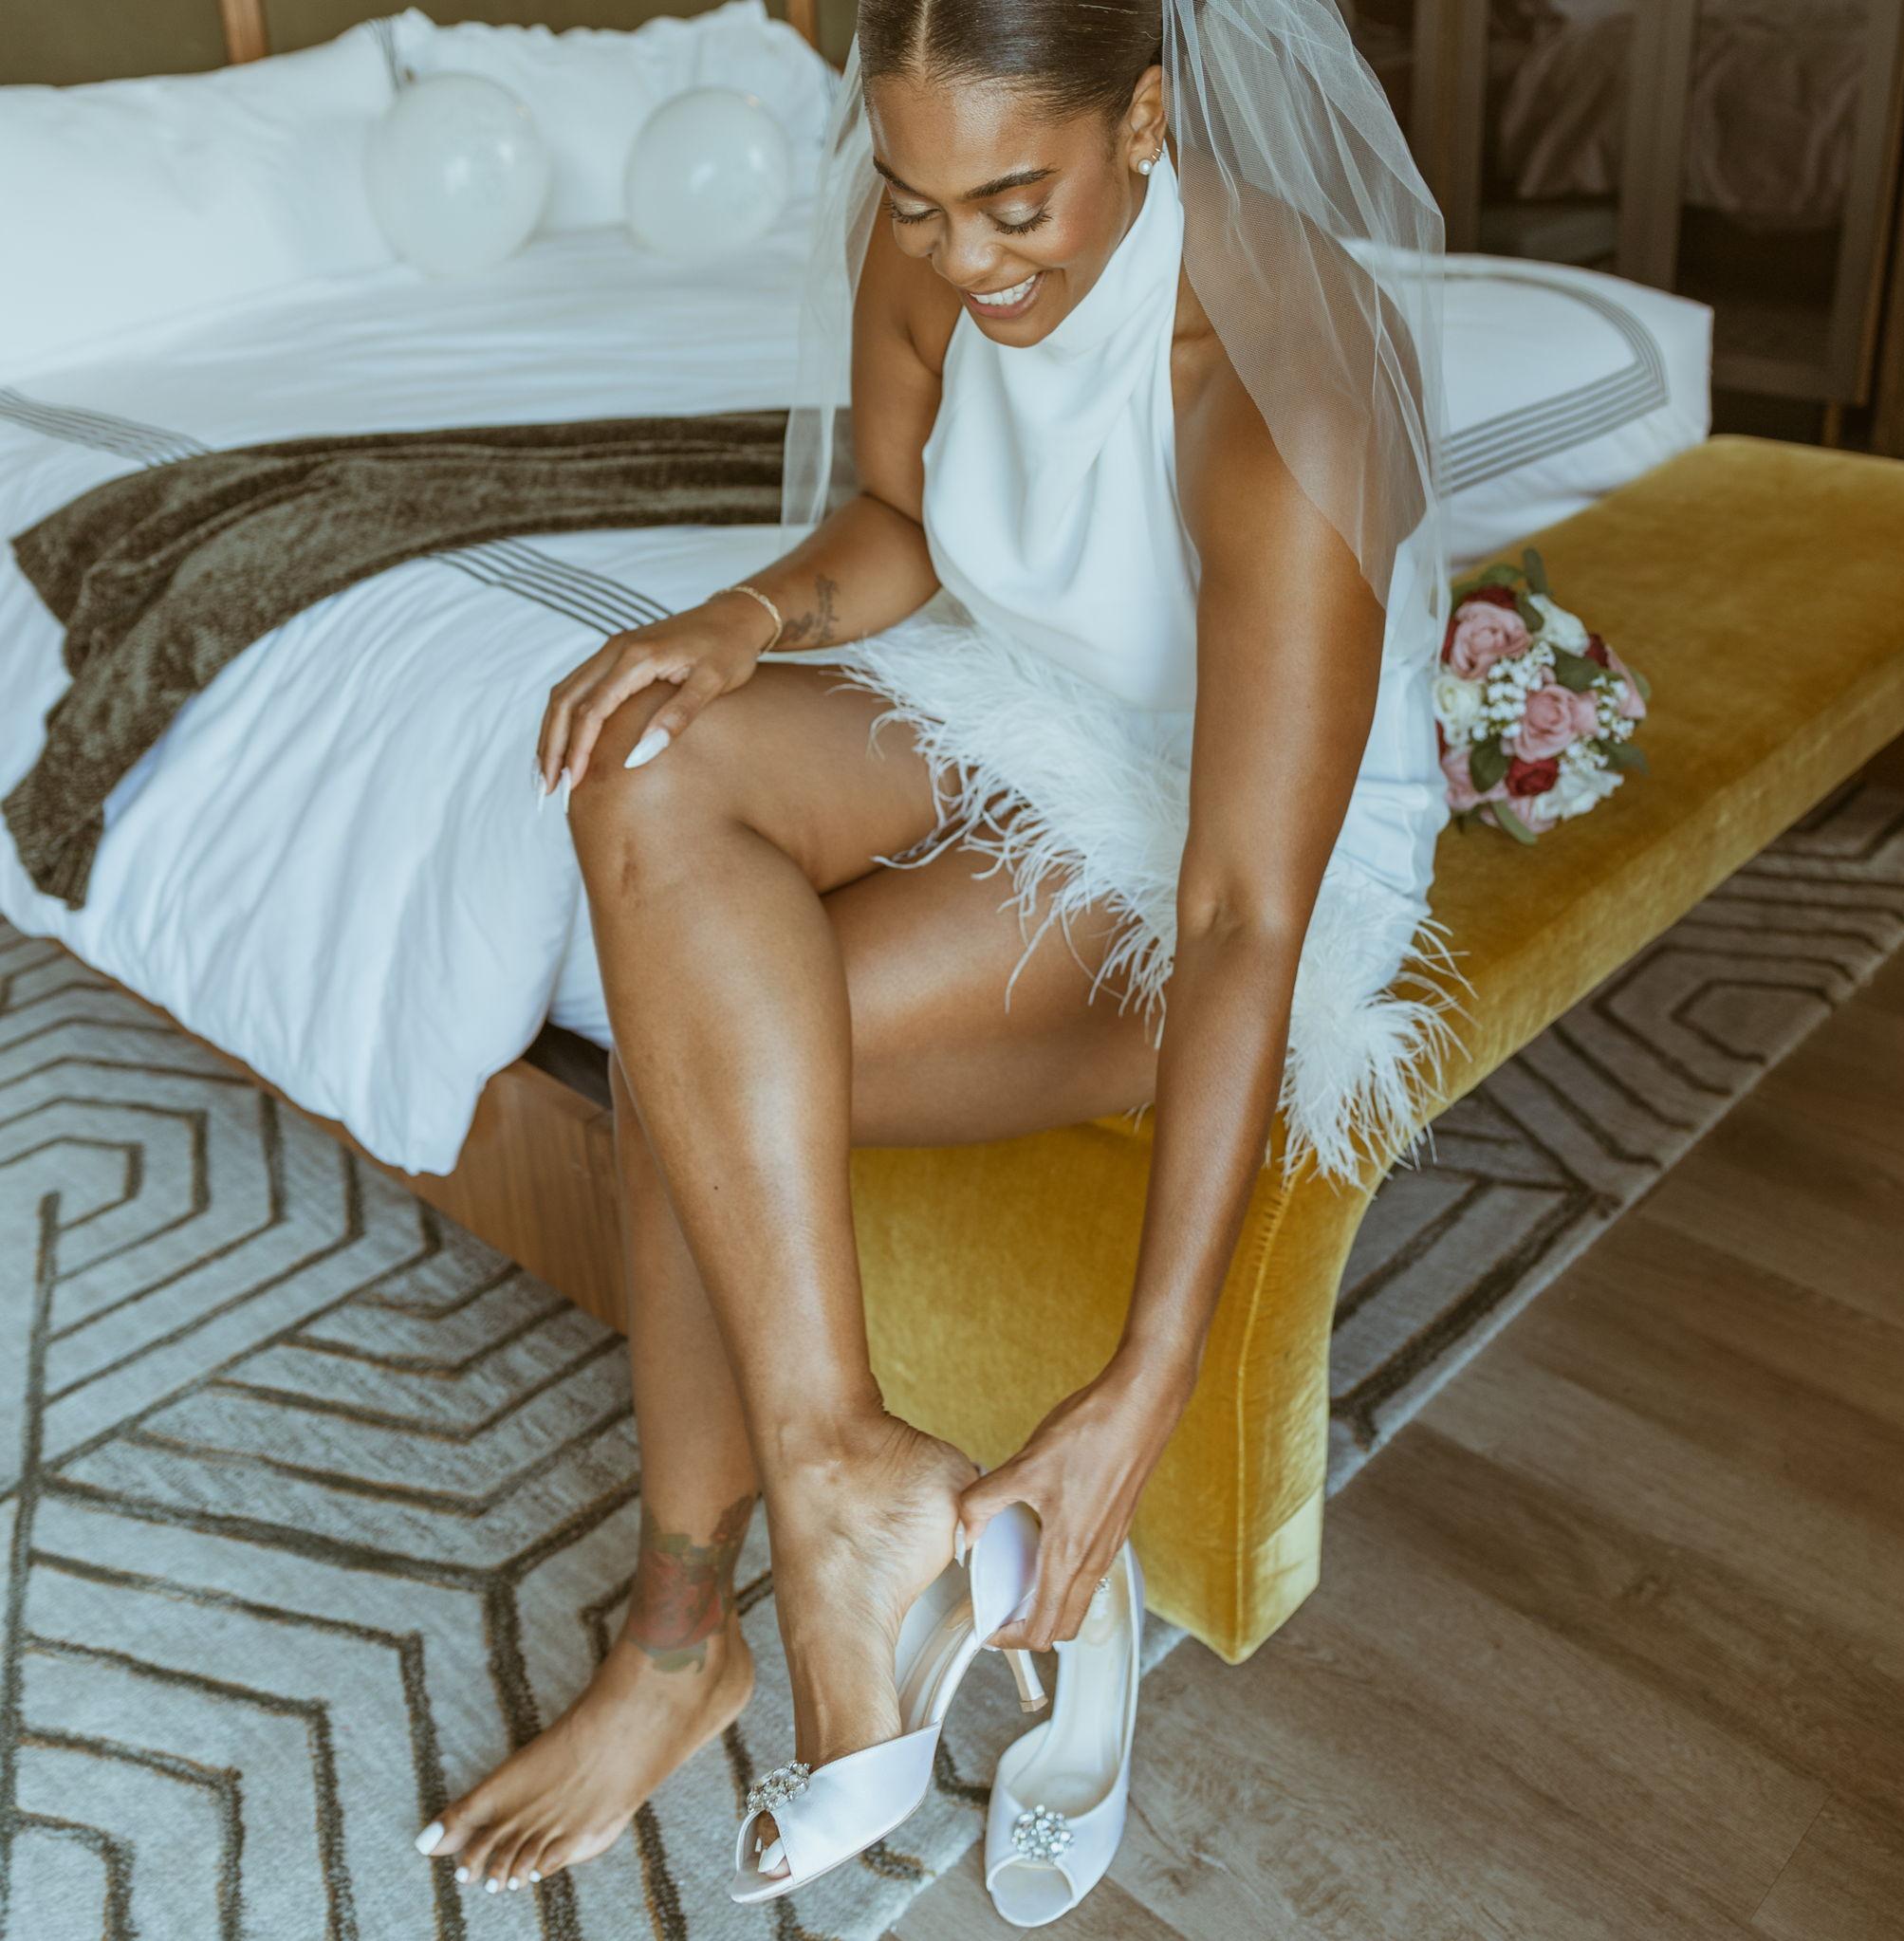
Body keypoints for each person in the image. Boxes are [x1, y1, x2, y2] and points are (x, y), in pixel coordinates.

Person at [416, 0, 1464, 1896]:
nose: (963, 260)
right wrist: (747, 617)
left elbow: (1240, 912)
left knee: (698, 1038)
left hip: (1242, 832)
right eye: (917, 202)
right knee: (646, 766)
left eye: (1012, 206)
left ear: (1144, 118)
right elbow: (901, 517)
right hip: (1027, 689)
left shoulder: (1285, 387)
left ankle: (685, 1629)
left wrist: (1141, 1382)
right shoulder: (923, 230)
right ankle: (832, 1475)